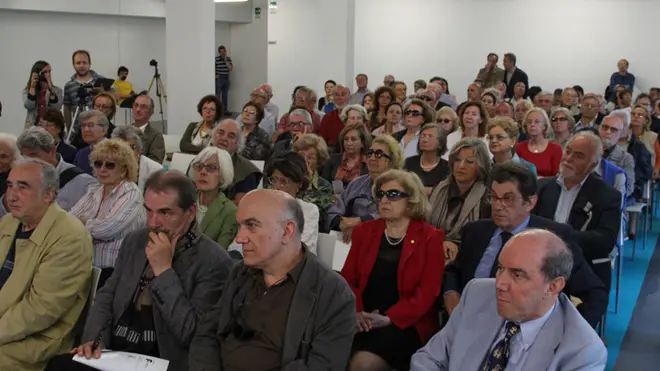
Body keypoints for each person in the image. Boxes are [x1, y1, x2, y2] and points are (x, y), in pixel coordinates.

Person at [54, 171, 234, 371]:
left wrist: (164, 271)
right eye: (149, 211)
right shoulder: (136, 240)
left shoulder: (214, 262)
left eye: (165, 213)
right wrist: (95, 339)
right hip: (116, 348)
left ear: (190, 212)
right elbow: (108, 294)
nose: (153, 223)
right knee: (58, 365)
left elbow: (194, 334)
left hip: (162, 358)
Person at [188, 189, 356, 370]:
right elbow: (206, 334)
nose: (240, 238)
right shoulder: (240, 273)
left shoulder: (333, 293)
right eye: (239, 226)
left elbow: (322, 366)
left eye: (251, 225)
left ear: (287, 231)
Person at [411, 229, 607, 371]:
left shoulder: (582, 352)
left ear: (553, 286)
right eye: (500, 269)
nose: (499, 284)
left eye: (517, 275)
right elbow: (428, 359)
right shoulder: (477, 294)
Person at [443, 162, 608, 327]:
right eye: (494, 197)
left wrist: (565, 333)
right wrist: (450, 293)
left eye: (508, 198)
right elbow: (454, 270)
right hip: (469, 324)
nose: (498, 206)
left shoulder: (554, 239)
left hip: (523, 335)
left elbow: (595, 294)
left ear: (530, 203)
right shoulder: (476, 231)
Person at [342, 169, 445, 371]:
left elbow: (427, 292)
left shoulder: (430, 237)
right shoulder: (365, 231)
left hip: (404, 323)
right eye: (381, 194)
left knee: (362, 364)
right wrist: (356, 313)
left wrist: (390, 318)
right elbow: (347, 279)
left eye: (393, 195)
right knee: (325, 350)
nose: (384, 200)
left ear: (412, 199)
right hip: (362, 317)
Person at [0, 158, 92, 371]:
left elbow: (40, 310)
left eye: (23, 187)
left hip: (37, 338)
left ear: (49, 195)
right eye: (10, 186)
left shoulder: (70, 236)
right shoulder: (9, 222)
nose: (11, 196)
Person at [534, 131, 621, 292]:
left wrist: (560, 236)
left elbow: (605, 240)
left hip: (582, 269)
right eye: (568, 151)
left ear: (593, 165)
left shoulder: (607, 195)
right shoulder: (542, 187)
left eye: (579, 155)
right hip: (539, 266)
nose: (569, 158)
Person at [70, 139, 146, 267]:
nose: (102, 169)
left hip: (115, 267)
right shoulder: (95, 189)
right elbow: (69, 219)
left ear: (124, 170)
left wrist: (84, 222)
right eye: (98, 164)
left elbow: (106, 230)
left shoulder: (131, 193)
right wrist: (85, 223)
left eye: (110, 165)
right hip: (86, 261)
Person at [0, 127, 96, 218]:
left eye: (34, 155)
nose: (29, 161)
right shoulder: (17, 175)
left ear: (52, 151)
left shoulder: (84, 183)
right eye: (25, 157)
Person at [327, 135, 405, 241]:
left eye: (378, 154)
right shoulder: (357, 183)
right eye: (370, 153)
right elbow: (334, 211)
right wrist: (341, 223)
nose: (372, 158)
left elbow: (392, 215)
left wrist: (359, 221)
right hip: (348, 240)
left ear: (392, 160)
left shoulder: (401, 186)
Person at [426, 138, 491, 263]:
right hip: (433, 249)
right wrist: (441, 241)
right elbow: (424, 227)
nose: (461, 166)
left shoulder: (487, 198)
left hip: (469, 257)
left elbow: (483, 240)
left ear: (480, 166)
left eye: (469, 162)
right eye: (457, 160)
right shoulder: (439, 189)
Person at [265, 153, 320, 253]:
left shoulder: (309, 210)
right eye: (273, 180)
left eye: (284, 181)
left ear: (299, 185)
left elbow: (298, 248)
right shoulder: (262, 207)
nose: (277, 187)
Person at [189, 147, 238, 249]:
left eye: (211, 167)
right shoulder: (184, 200)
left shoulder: (230, 212)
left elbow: (221, 253)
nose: (203, 172)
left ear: (222, 176)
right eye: (199, 166)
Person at [209, 119, 263, 205]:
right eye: (221, 133)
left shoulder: (246, 170)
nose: (224, 138)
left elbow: (240, 203)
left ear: (238, 143)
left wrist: (209, 207)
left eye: (231, 136)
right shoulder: (199, 161)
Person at [62, 50, 112, 133]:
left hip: (100, 128)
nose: (81, 65)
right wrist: (69, 129)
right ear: (73, 65)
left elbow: (115, 98)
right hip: (78, 129)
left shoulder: (101, 81)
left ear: (89, 64)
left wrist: (102, 92)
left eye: (84, 63)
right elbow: (67, 108)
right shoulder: (69, 85)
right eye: (78, 63)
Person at [111, 125, 163, 191]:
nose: (123, 152)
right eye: (118, 147)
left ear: (139, 150)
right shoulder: (107, 166)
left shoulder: (155, 170)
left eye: (129, 147)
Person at [404, 123, 450, 196]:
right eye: (423, 136)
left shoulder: (447, 167)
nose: (425, 140)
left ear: (440, 143)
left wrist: (416, 190)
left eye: (430, 136)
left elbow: (444, 192)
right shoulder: (409, 162)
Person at [293, 134, 334, 216]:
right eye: (301, 156)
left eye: (310, 157)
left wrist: (308, 182)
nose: (305, 161)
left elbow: (316, 215)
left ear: (318, 162)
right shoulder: (287, 179)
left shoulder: (324, 187)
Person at [516, 107, 563, 177]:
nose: (532, 125)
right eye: (529, 122)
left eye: (537, 122)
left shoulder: (555, 149)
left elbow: (557, 177)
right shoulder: (519, 147)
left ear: (544, 126)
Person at [23, 60, 64, 127]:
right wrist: (32, 87)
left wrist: (50, 89)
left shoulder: (57, 91)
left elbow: (56, 108)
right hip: (32, 126)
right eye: (44, 72)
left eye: (49, 71)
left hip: (50, 127)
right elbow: (29, 106)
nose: (48, 74)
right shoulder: (27, 90)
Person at [132, 93, 166, 163]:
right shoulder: (122, 132)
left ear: (151, 112)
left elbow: (154, 164)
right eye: (136, 105)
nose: (138, 109)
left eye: (143, 107)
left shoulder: (156, 137)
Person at [73, 110, 110, 174]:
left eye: (90, 125)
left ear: (104, 129)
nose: (86, 129)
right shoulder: (81, 154)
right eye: (83, 125)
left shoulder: (115, 151)